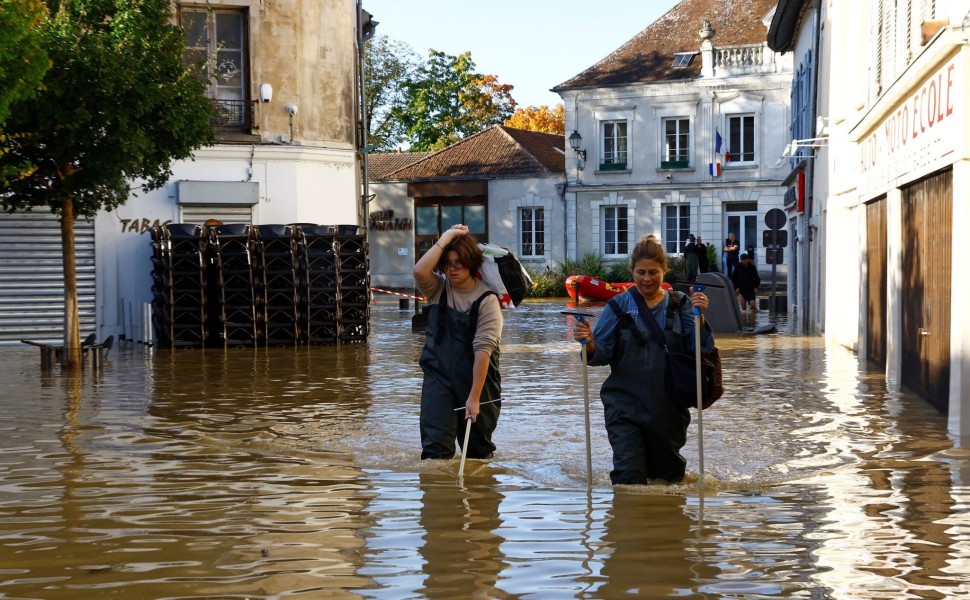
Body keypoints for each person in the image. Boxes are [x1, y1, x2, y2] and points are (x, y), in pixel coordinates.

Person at [570, 235, 714, 485]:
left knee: (668, 479)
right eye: (641, 273)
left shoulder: (682, 304)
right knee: (628, 477)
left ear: (664, 271)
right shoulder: (618, 305)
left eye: (653, 272)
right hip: (623, 405)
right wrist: (590, 343)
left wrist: (701, 319)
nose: (646, 279)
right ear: (632, 272)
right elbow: (599, 355)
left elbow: (700, 348)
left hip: (669, 409)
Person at [413, 224, 503, 460]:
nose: (452, 270)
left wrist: (473, 398)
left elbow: (483, 352)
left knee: (477, 454)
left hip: (478, 382)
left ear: (471, 264)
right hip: (438, 377)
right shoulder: (437, 289)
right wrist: (447, 237)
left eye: (459, 264)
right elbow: (420, 271)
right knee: (435, 452)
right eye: (448, 263)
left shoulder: (487, 301)